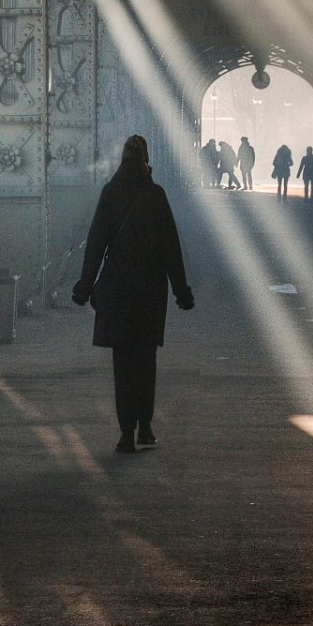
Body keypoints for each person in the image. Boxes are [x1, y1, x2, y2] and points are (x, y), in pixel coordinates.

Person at [71, 135, 193, 454]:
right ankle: (146, 427)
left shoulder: (110, 194)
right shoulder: (155, 195)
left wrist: (85, 286)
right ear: (145, 161)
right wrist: (182, 292)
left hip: (117, 290)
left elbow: (95, 245)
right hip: (149, 291)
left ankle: (126, 432)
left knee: (122, 362)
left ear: (121, 160)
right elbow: (171, 250)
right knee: (145, 360)